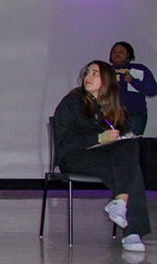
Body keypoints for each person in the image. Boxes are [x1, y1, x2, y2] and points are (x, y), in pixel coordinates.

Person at [53, 60, 151, 252]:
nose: (88, 77)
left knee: (128, 146)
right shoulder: (71, 103)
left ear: (106, 80)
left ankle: (121, 206)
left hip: (105, 158)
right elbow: (64, 142)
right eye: (87, 73)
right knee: (130, 170)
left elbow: (126, 135)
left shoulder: (114, 107)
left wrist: (120, 137)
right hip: (75, 158)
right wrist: (98, 138)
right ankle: (131, 229)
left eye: (95, 74)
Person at [110, 42, 156, 136]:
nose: (117, 54)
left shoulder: (139, 69)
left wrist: (133, 81)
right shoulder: (105, 71)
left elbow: (152, 90)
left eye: (121, 51)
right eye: (114, 52)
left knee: (131, 145)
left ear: (128, 55)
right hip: (111, 115)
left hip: (134, 114)